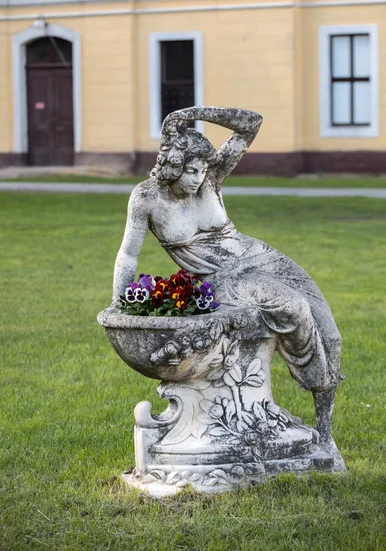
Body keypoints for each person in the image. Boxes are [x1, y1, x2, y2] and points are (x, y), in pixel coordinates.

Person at [112, 106, 345, 468]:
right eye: (191, 169)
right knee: (296, 308)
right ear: (173, 164)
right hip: (224, 278)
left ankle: (325, 435)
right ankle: (291, 423)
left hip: (260, 255)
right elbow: (128, 256)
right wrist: (121, 301)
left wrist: (191, 113)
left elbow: (250, 124)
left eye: (203, 169)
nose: (198, 177)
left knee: (329, 332)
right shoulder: (147, 199)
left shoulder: (210, 179)